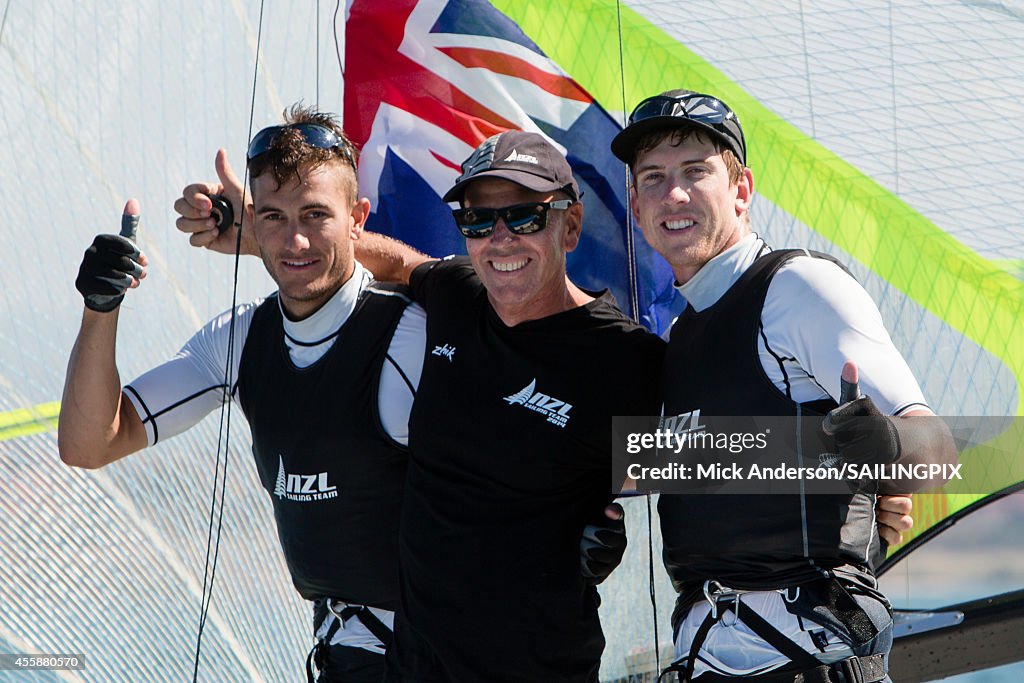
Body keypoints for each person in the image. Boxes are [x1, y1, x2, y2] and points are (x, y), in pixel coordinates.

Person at [59, 105, 427, 682]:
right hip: (346, 653)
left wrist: (604, 504)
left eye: (315, 214)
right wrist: (100, 308)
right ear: (254, 219)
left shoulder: (415, 331)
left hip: (454, 651)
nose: (295, 238)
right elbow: (90, 444)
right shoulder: (239, 337)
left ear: (357, 217)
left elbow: (537, 365)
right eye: (274, 217)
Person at [610, 90, 956, 682]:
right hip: (704, 653)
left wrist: (888, 448)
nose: (675, 194)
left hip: (810, 652)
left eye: (697, 171)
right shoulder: (681, 332)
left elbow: (939, 454)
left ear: (742, 189)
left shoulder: (798, 286)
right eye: (654, 177)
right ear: (636, 205)